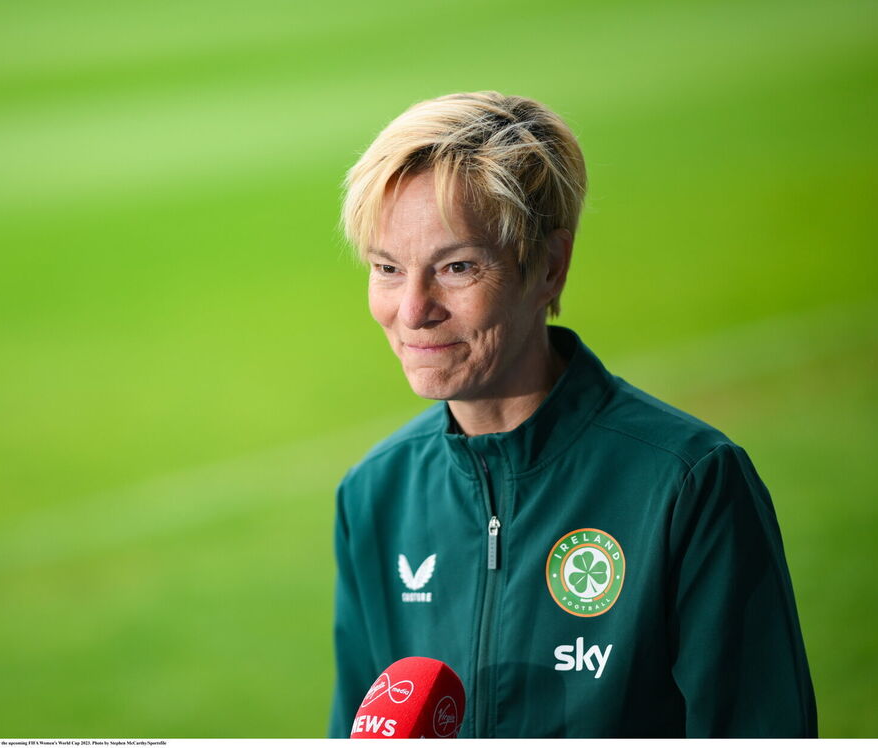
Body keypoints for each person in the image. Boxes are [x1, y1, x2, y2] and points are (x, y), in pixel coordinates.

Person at [327, 92, 817, 738]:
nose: (413, 309)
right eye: (387, 268)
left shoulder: (687, 483)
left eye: (456, 267)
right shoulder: (375, 495)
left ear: (550, 267)